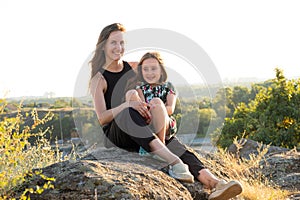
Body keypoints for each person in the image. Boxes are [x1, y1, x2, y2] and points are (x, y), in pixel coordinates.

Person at [89, 22, 243, 200]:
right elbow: (102, 119)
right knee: (128, 111)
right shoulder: (98, 79)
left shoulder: (132, 67)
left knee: (176, 145)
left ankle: (215, 183)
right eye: (113, 43)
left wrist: (159, 111)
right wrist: (126, 105)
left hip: (144, 126)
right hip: (118, 133)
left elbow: (154, 75)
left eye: (122, 43)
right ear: (103, 47)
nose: (119, 47)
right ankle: (173, 162)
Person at [125, 51, 178, 145]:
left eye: (153, 69)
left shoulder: (168, 86)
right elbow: (142, 105)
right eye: (145, 69)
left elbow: (170, 108)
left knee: (156, 102)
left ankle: (161, 144)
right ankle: (147, 140)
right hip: (147, 120)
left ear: (161, 70)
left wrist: (157, 109)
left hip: (164, 123)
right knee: (131, 94)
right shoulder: (140, 87)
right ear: (141, 71)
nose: (150, 73)